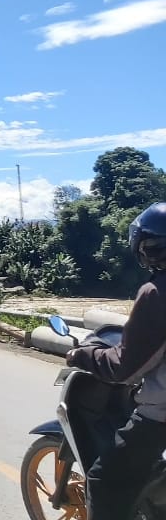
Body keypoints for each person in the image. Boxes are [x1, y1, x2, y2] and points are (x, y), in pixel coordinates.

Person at [66, 202, 166, 520]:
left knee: (104, 481)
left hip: (161, 417)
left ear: (145, 250)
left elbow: (125, 369)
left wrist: (84, 355)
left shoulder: (156, 293)